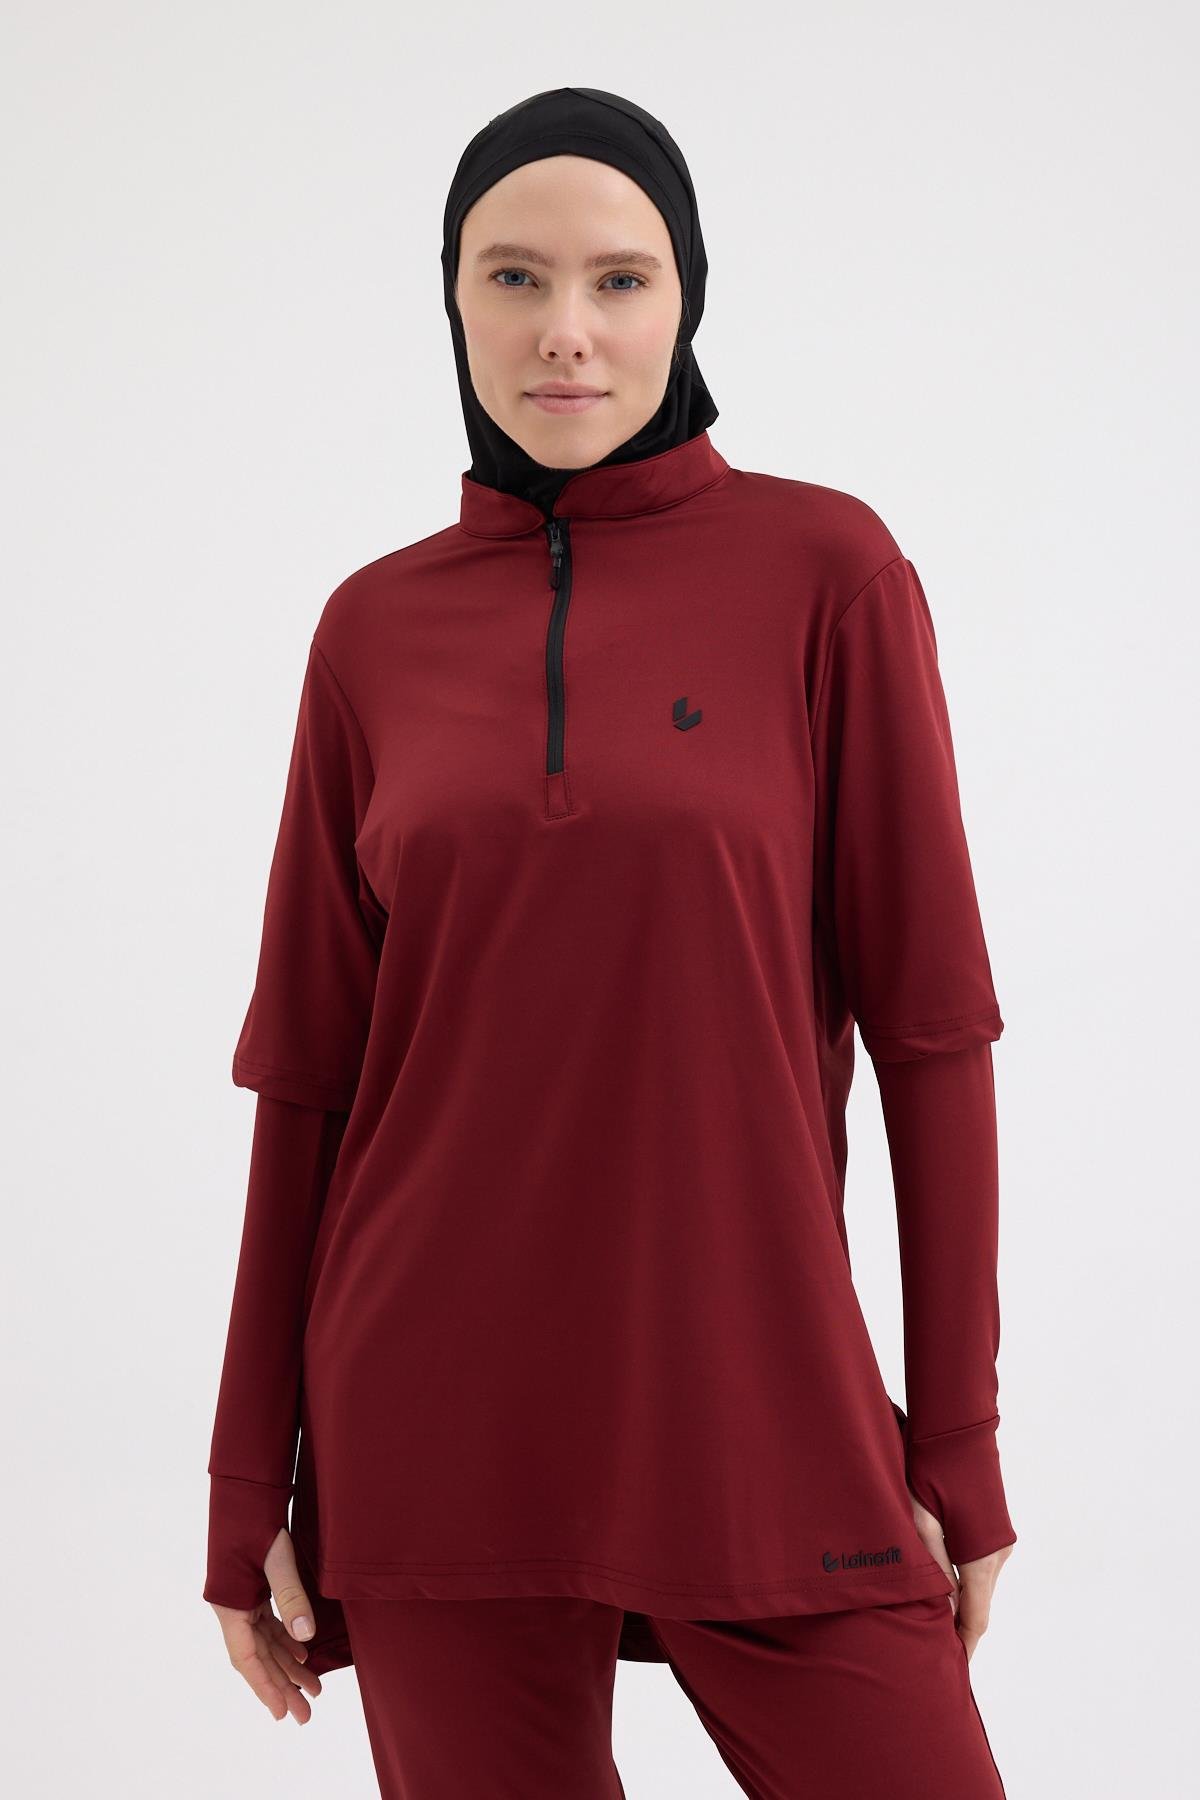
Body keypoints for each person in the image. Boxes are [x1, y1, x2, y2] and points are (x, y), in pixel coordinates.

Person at [203, 86, 1016, 1798]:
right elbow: (310, 1083)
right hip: (432, 1426)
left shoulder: (829, 574)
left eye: (620, 280)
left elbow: (933, 1030)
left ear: (686, 296)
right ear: (452, 299)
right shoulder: (372, 632)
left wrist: (957, 1438)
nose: (564, 331)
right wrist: (241, 1481)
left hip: (759, 1407)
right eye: (512, 278)